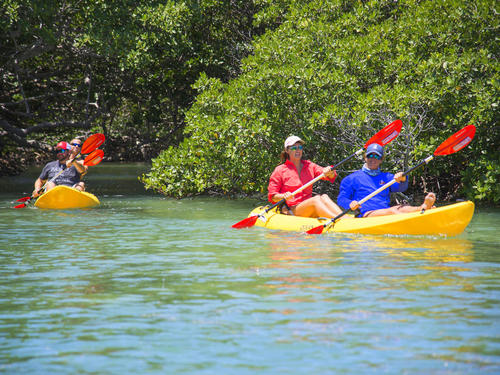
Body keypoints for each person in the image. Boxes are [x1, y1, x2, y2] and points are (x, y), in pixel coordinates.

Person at [337, 143, 436, 217]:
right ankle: (421, 210)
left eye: (376, 156)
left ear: (381, 160)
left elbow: (402, 187)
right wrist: (350, 204)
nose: (373, 159)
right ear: (365, 157)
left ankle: (422, 208)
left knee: (402, 207)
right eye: (370, 155)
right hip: (366, 214)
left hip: (384, 211)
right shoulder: (351, 179)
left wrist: (403, 178)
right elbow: (341, 199)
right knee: (393, 211)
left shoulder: (387, 177)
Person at [268, 135, 344, 218]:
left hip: (307, 207)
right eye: (294, 148)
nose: (298, 150)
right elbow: (272, 196)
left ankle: (343, 218)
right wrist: (283, 196)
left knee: (324, 197)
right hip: (290, 209)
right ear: (287, 150)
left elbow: (329, 176)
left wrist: (330, 171)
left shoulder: (309, 165)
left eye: (300, 147)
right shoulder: (279, 170)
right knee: (316, 199)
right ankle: (340, 220)